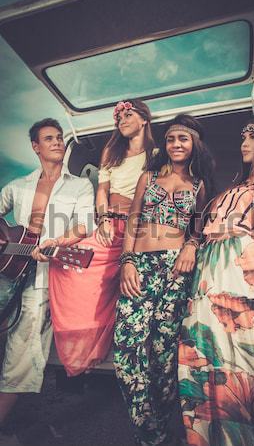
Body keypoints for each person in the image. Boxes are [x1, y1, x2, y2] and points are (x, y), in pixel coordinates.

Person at [178, 117, 254, 446]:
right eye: (242, 137)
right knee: (207, 352)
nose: (243, 144)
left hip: (244, 274)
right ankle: (212, 435)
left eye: (250, 138)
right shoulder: (229, 190)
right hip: (207, 273)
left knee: (242, 357)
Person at [114, 114, 215, 446]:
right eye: (171, 139)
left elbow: (199, 230)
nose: (175, 145)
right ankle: (148, 430)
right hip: (139, 267)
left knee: (162, 355)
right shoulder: (149, 177)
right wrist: (127, 261)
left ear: (194, 143)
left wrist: (190, 243)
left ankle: (162, 424)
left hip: (175, 274)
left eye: (183, 139)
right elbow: (132, 221)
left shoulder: (199, 185)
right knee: (127, 349)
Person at [0, 118, 94, 445]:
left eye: (59, 138)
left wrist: (56, 242)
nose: (57, 142)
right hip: (9, 273)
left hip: (47, 276)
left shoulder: (80, 186)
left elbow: (85, 225)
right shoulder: (17, 186)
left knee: (21, 351)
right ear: (36, 147)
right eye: (49, 138)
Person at [49, 99, 155, 376]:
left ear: (144, 119)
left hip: (141, 231)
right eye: (118, 117)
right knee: (69, 265)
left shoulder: (156, 154)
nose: (122, 120)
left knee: (133, 287)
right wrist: (105, 219)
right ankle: (83, 349)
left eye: (128, 114)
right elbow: (101, 192)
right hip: (111, 226)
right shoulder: (112, 152)